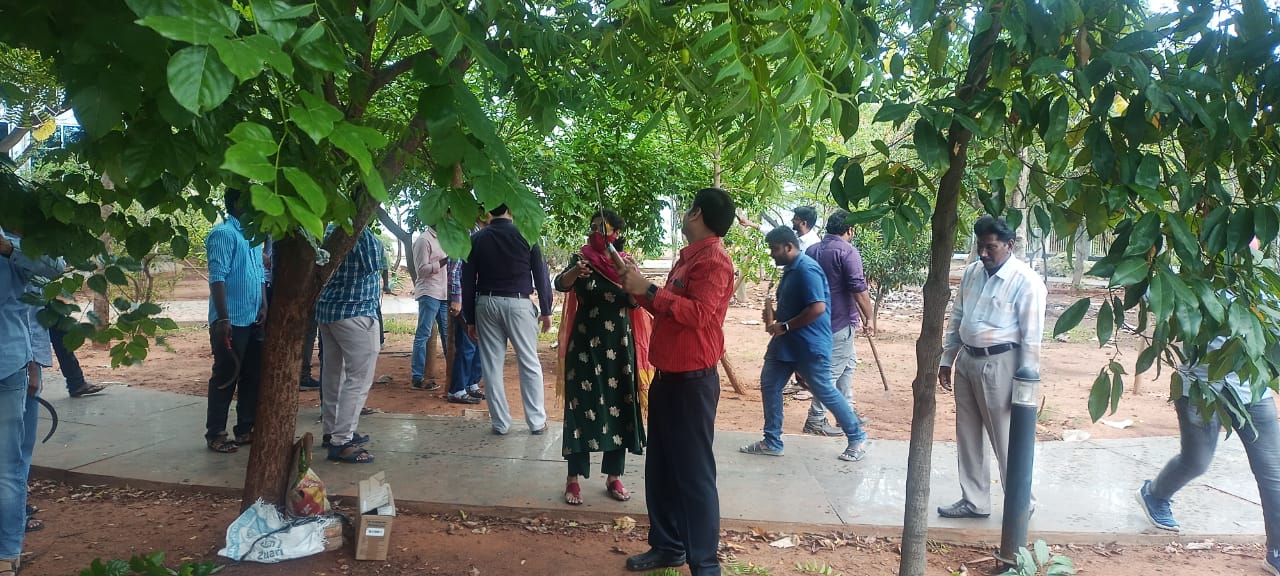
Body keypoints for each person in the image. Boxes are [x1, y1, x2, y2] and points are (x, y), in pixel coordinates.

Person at [615, 187, 736, 576]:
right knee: (662, 468)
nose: (684, 214)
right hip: (668, 378)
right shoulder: (689, 259)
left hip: (692, 384)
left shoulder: (714, 261)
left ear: (696, 214)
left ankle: (705, 564)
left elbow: (700, 315)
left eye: (687, 209)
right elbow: (670, 310)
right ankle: (668, 547)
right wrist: (638, 287)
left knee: (694, 475)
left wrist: (648, 289)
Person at [1136, 335, 1280, 575]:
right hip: (1199, 387)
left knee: (1274, 471)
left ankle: (1277, 551)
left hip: (1251, 387)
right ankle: (1154, 495)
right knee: (1196, 461)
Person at [937, 215, 1046, 519]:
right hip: (967, 360)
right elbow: (957, 317)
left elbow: (1032, 338)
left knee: (1007, 437)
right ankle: (975, 501)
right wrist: (947, 358)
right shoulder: (972, 272)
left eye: (991, 247)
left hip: (1002, 364)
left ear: (1009, 245)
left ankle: (1021, 504)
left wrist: (1025, 385)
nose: (983, 253)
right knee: (968, 434)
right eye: (980, 246)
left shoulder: (1026, 282)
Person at [739, 226, 870, 461]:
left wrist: (785, 326)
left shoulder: (807, 269)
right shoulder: (791, 270)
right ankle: (772, 441)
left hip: (809, 344)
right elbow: (796, 307)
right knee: (770, 385)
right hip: (785, 344)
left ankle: (857, 436)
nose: (771, 254)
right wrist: (775, 316)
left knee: (824, 390)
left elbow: (817, 307)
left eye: (774, 249)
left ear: (789, 247)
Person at [553, 209, 650, 506]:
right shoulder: (581, 259)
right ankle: (573, 478)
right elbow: (561, 284)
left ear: (616, 234)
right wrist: (574, 273)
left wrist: (629, 279)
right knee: (580, 408)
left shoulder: (626, 263)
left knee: (619, 407)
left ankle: (613, 476)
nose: (595, 232)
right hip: (585, 347)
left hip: (619, 347)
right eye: (593, 227)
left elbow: (635, 302)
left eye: (602, 228)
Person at [0, 228, 64, 572]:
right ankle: (8, 550)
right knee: (9, 467)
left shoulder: (14, 241)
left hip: (12, 365)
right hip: (13, 363)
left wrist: (34, 364)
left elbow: (51, 270)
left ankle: (8, 550)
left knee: (11, 464)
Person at [460, 204, 553, 436]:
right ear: (511, 209)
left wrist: (470, 318)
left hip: (486, 303)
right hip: (519, 303)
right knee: (529, 362)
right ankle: (536, 422)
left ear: (488, 212)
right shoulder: (527, 235)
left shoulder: (476, 239)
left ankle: (500, 423)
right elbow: (541, 275)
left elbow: (467, 281)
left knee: (491, 366)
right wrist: (546, 310)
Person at [203, 188, 265, 454]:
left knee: (252, 375)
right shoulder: (223, 234)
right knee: (226, 375)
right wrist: (223, 317)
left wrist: (264, 305)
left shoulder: (253, 236)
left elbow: (260, 274)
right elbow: (217, 277)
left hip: (252, 317)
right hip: (231, 320)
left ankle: (245, 428)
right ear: (238, 204)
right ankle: (216, 433)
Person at [315, 225, 384, 463]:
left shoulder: (330, 229)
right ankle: (342, 441)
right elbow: (374, 264)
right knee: (358, 379)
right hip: (356, 312)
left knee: (333, 375)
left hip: (329, 310)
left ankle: (332, 432)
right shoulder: (362, 234)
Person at [803, 210, 874, 436]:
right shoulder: (847, 252)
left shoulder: (812, 250)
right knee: (830, 372)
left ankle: (846, 414)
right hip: (839, 322)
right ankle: (815, 418)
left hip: (816, 321)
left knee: (848, 365)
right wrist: (870, 317)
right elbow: (859, 289)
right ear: (850, 229)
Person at [410, 225, 449, 391]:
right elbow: (421, 270)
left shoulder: (445, 237)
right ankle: (417, 377)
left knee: (448, 335)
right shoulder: (423, 240)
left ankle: (453, 374)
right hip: (429, 292)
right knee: (423, 334)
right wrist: (443, 262)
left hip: (444, 294)